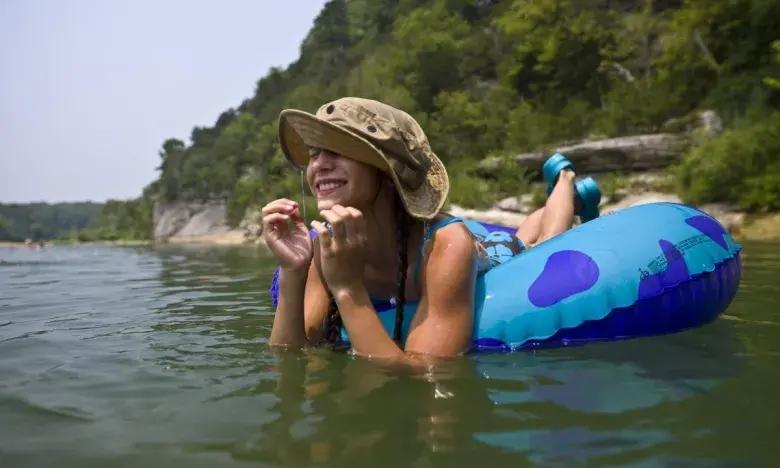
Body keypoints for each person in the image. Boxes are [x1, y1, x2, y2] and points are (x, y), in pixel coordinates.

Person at [263, 97, 600, 361]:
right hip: (444, 242)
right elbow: (291, 354)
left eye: (338, 151)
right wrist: (293, 271)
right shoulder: (327, 246)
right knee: (526, 232)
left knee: (537, 245)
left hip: (491, 254)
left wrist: (349, 290)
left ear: (386, 171)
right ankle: (543, 208)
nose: (319, 164)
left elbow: (426, 373)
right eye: (315, 153)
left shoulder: (446, 245)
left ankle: (564, 183)